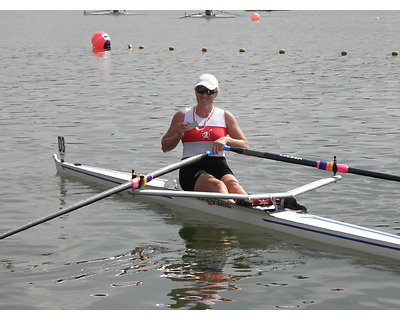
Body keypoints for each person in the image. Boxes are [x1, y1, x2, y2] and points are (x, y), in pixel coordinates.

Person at [161, 74, 249, 200]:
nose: (204, 95)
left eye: (209, 92)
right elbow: (165, 147)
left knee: (236, 188)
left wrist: (226, 139)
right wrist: (178, 135)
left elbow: (245, 145)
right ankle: (234, 211)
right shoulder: (183, 115)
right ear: (195, 92)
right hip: (190, 167)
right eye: (200, 91)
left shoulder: (225, 116)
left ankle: (252, 208)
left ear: (216, 94)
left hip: (218, 165)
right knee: (219, 187)